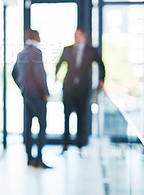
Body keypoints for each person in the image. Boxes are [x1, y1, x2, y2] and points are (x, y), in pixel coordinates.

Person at [55, 27, 105, 153]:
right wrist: (56, 75)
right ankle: (65, 144)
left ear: (84, 36)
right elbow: (59, 63)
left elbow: (101, 65)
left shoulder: (91, 51)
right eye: (75, 35)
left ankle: (80, 145)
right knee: (66, 116)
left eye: (78, 35)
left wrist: (101, 79)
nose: (76, 37)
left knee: (81, 116)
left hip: (83, 88)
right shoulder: (68, 49)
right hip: (69, 88)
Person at [12, 29, 51, 169]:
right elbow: (39, 74)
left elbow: (13, 73)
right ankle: (39, 158)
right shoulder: (36, 53)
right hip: (37, 95)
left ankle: (29, 158)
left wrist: (22, 87)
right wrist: (45, 91)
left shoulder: (21, 54)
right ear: (35, 37)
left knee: (27, 127)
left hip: (26, 95)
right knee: (42, 126)